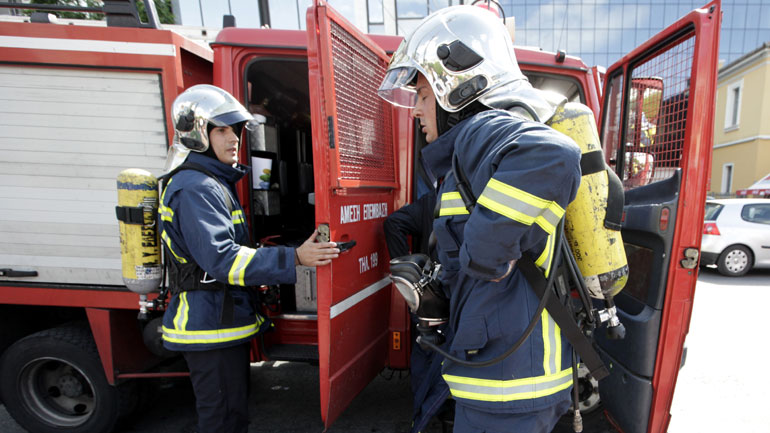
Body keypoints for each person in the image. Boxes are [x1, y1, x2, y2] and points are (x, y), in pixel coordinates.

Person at [378, 6, 582, 433]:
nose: (415, 111)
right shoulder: (470, 153)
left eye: (421, 96)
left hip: (510, 390)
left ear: (455, 88)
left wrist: (483, 257)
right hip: (508, 380)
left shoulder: (480, 130)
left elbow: (553, 156)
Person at [158, 85, 339, 433]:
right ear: (198, 135)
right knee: (223, 421)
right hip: (209, 328)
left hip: (218, 323)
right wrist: (295, 258)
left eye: (235, 130)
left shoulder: (209, 181)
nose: (234, 139)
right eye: (222, 130)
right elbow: (222, 261)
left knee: (230, 416)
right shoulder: (197, 187)